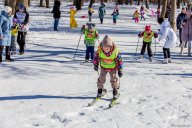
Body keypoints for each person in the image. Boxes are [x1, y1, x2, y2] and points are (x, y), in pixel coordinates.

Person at [93, 35, 123, 99]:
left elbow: (119, 60)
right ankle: (100, 91)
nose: (106, 50)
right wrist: (96, 64)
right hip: (104, 67)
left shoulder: (115, 51)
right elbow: (95, 57)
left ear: (111, 47)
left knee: (113, 79)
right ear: (102, 47)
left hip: (113, 68)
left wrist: (120, 69)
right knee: (101, 79)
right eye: (104, 49)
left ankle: (115, 92)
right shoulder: (99, 50)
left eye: (107, 49)